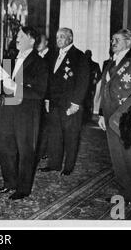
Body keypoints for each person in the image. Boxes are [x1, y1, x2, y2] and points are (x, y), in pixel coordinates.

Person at [98, 29, 131, 207]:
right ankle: (126, 193)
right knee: (117, 158)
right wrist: (100, 113)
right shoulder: (109, 62)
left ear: (128, 43)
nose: (113, 42)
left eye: (117, 40)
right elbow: (104, 89)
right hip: (110, 117)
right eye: (112, 39)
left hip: (130, 116)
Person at [0, 26, 48, 200]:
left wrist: (16, 87)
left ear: (32, 40)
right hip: (9, 107)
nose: (17, 38)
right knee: (3, 145)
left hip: (27, 112)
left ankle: (23, 189)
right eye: (17, 35)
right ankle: (9, 183)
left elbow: (39, 92)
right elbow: (6, 83)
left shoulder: (39, 63)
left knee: (26, 151)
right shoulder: (11, 58)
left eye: (21, 36)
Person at [40, 28, 89, 176]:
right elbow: (48, 79)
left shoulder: (79, 56)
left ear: (70, 38)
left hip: (70, 104)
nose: (59, 39)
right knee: (55, 135)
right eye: (57, 37)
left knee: (71, 135)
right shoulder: (52, 55)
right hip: (54, 102)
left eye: (62, 37)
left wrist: (76, 103)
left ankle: (68, 166)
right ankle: (54, 164)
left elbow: (83, 81)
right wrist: (47, 98)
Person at [83, 50, 102, 123]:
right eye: (86, 54)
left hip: (91, 86)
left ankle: (88, 117)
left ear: (91, 55)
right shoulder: (82, 64)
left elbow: (100, 75)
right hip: (83, 86)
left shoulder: (95, 64)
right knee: (83, 101)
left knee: (90, 101)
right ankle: (84, 118)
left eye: (88, 54)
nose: (87, 56)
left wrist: (95, 80)